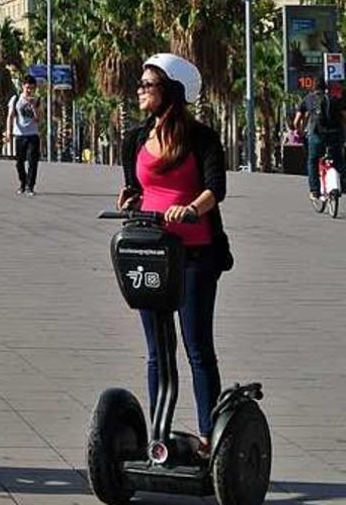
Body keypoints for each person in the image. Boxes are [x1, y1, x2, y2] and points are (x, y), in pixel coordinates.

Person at [116, 53, 232, 458]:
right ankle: (159, 435)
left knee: (197, 345)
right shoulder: (134, 138)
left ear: (173, 92)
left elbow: (216, 187)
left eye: (149, 85)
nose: (141, 91)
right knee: (157, 351)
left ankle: (207, 438)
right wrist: (130, 198)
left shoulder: (201, 137)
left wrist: (192, 208)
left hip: (196, 252)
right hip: (151, 251)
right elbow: (134, 186)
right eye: (141, 84)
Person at [293, 77, 346, 201]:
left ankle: (315, 191)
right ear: (326, 88)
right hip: (335, 135)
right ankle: (341, 184)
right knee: (339, 159)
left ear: (313, 87)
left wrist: (300, 131)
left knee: (312, 161)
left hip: (316, 135)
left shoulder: (308, 99)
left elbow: (296, 121)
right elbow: (343, 118)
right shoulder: (334, 100)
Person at [6, 75, 41, 195]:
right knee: (19, 162)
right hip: (19, 135)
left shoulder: (37, 100)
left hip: (33, 135)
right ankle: (23, 182)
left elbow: (38, 119)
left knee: (32, 161)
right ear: (23, 87)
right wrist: (8, 132)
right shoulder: (15, 99)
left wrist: (33, 107)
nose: (30, 91)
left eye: (32, 88)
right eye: (28, 88)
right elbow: (10, 116)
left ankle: (30, 186)